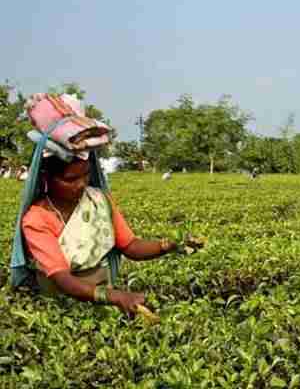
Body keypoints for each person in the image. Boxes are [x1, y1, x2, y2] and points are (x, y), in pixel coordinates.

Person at [10, 93, 185, 316]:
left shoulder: (99, 201)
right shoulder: (37, 219)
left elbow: (130, 245)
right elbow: (62, 278)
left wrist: (169, 245)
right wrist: (115, 296)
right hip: (60, 309)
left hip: (105, 301)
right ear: (46, 179)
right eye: (70, 179)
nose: (80, 185)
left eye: (84, 176)